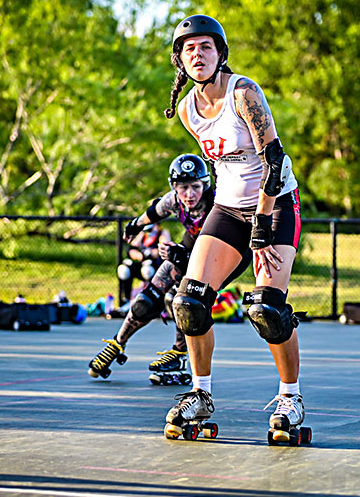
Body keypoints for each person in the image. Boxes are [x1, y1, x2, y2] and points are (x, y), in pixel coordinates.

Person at [161, 15, 306, 443]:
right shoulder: (187, 110)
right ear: (180, 59)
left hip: (275, 205)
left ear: (219, 53)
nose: (197, 55)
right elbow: (223, 166)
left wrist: (260, 225)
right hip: (227, 209)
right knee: (189, 302)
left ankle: (290, 398)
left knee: (267, 309)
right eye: (189, 49)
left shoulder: (244, 92)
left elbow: (274, 162)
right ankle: (200, 395)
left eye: (205, 47)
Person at [87, 154, 252, 384]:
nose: (190, 194)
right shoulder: (174, 200)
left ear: (205, 184)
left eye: (195, 187)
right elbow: (154, 211)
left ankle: (179, 353)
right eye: (183, 188)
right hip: (195, 242)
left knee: (185, 299)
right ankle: (117, 343)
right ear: (174, 187)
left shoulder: (217, 200)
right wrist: (135, 225)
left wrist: (185, 256)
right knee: (150, 296)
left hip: (229, 251)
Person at [116, 222, 169, 306]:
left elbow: (165, 248)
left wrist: (152, 253)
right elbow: (131, 249)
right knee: (123, 270)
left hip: (155, 268)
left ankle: (152, 300)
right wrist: (138, 255)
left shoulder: (162, 233)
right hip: (141, 265)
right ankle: (126, 300)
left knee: (147, 270)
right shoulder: (143, 234)